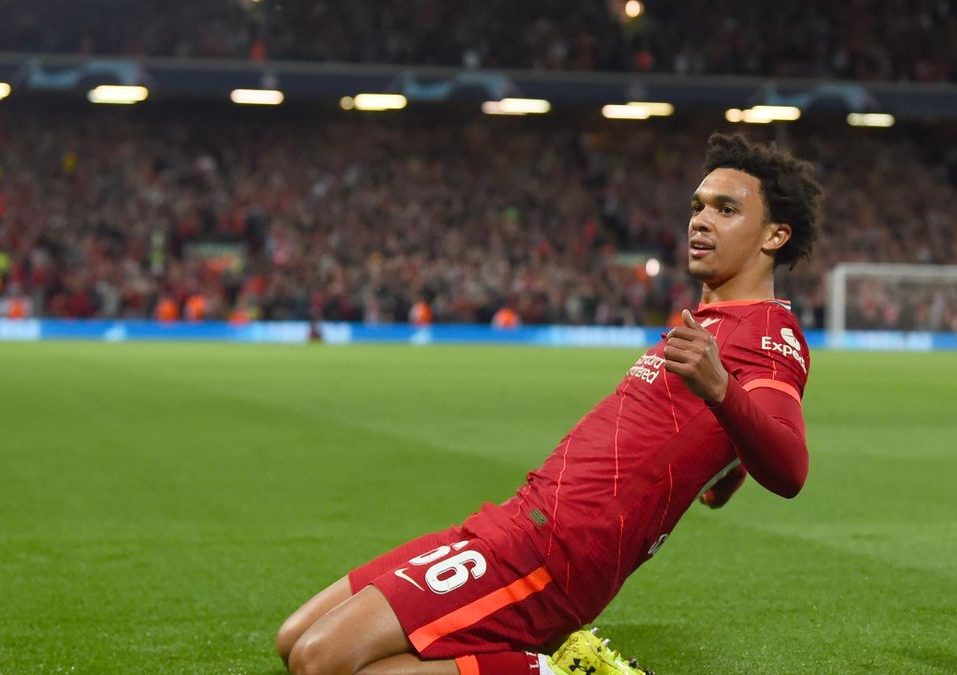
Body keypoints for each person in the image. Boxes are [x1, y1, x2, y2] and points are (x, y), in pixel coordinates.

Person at [276, 133, 823, 675]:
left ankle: (559, 674)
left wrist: (723, 393)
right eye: (698, 206)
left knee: (320, 661)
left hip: (558, 548)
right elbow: (717, 433)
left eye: (726, 210)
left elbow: (790, 467)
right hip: (518, 520)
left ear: (775, 235)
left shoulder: (767, 332)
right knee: (294, 639)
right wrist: (727, 457)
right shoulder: (709, 324)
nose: (701, 220)